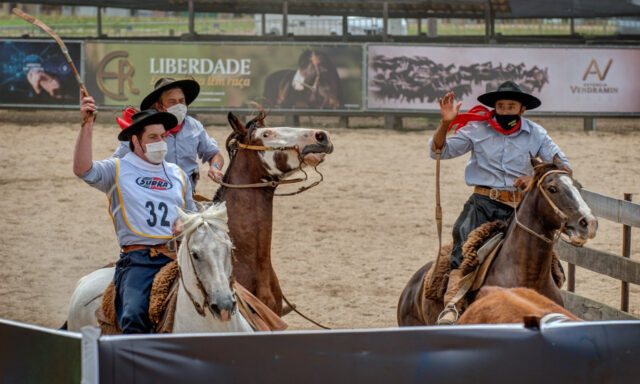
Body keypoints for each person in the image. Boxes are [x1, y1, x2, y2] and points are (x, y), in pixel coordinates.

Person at [428, 80, 571, 324]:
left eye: (511, 106)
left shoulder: (536, 133)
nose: (505, 111)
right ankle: (453, 303)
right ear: (495, 107)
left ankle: (551, 301)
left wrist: (534, 177)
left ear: (522, 110)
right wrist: (445, 123)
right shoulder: (477, 129)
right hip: (483, 204)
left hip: (521, 207)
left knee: (544, 253)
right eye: (501, 106)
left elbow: (563, 166)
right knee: (464, 249)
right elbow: (439, 151)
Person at [74, 95, 197, 334]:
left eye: (163, 136)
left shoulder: (177, 173)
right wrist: (87, 126)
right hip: (140, 259)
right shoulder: (117, 168)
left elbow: (190, 211)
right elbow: (83, 169)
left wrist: (186, 221)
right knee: (134, 315)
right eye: (152, 137)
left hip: (182, 254)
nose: (160, 142)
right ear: (135, 140)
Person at [113, 77, 224, 192]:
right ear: (159, 106)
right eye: (172, 102)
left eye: (182, 101)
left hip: (187, 193)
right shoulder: (144, 129)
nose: (179, 106)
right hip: (153, 193)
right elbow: (117, 163)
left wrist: (215, 167)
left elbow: (214, 153)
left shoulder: (195, 126)